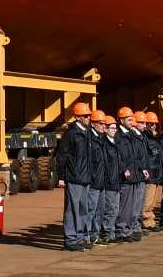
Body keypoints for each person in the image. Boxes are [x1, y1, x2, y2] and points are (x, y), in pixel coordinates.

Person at [56, 101, 99, 251]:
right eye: (86, 116)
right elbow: (61, 156)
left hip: (85, 178)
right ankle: (70, 239)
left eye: (88, 115)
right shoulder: (71, 134)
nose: (88, 118)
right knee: (72, 209)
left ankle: (79, 238)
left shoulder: (86, 133)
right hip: (74, 178)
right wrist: (61, 177)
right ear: (78, 117)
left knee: (82, 209)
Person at [114, 108, 146, 243]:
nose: (132, 122)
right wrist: (123, 169)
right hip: (126, 177)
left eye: (132, 119)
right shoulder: (118, 136)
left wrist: (142, 168)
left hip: (135, 175)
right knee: (125, 206)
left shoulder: (132, 135)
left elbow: (137, 156)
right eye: (129, 119)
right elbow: (118, 156)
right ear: (121, 120)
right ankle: (122, 230)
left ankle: (130, 228)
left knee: (134, 206)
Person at [90, 112, 120, 245]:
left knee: (109, 209)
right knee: (101, 210)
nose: (114, 130)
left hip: (110, 180)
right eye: (111, 127)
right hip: (104, 181)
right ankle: (102, 233)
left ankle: (108, 233)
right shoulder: (102, 143)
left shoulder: (110, 142)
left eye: (115, 128)